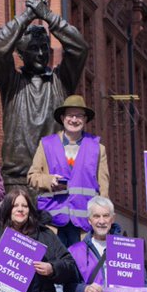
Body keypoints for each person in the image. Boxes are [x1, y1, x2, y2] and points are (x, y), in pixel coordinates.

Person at [0, 0, 88, 188]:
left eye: (44, 47)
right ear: (20, 52)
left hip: (55, 179)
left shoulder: (61, 81)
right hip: (18, 181)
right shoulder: (11, 83)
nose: (41, 54)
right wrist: (27, 15)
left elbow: (80, 48)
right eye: (34, 48)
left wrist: (47, 15)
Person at [27, 95, 109, 247]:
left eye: (79, 116)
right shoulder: (46, 144)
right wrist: (48, 180)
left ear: (85, 120)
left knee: (82, 268)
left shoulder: (97, 148)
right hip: (53, 221)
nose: (74, 119)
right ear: (63, 118)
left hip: (84, 225)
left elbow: (103, 189)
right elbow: (32, 176)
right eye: (70, 115)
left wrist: (103, 218)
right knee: (55, 267)